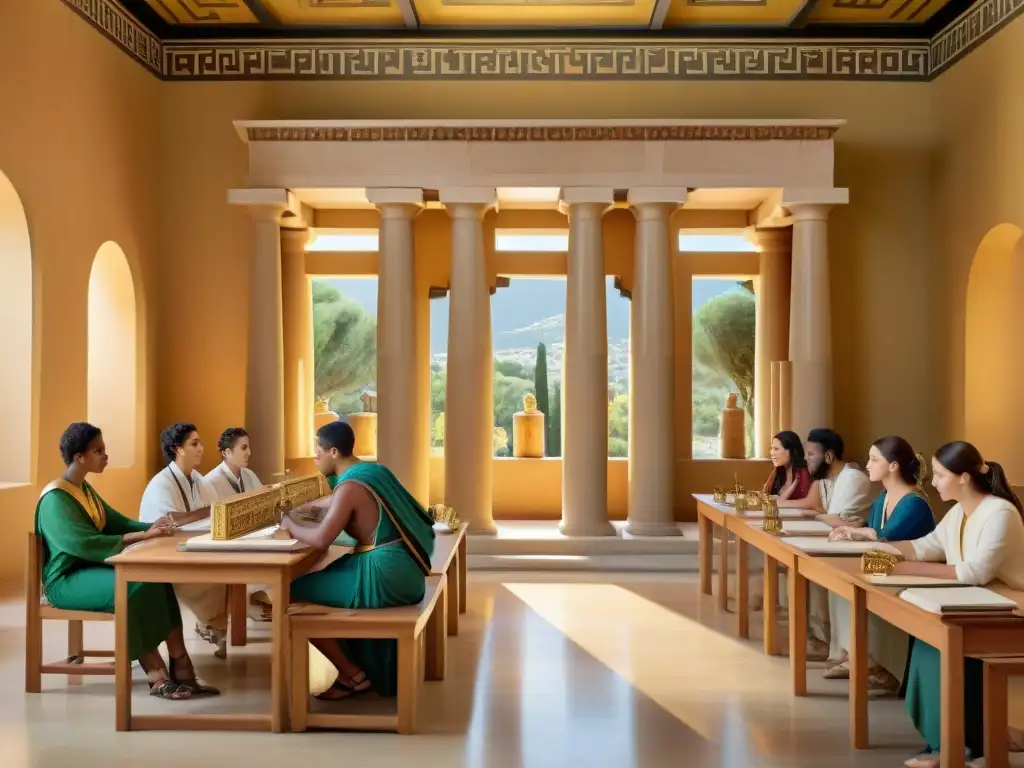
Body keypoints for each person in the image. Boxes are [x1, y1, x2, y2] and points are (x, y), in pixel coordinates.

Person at [35, 423, 219, 699]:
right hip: (65, 581)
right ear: (79, 457)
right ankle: (156, 675)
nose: (105, 456)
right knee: (131, 587)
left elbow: (116, 521)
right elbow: (83, 543)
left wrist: (150, 526)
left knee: (158, 582)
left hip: (90, 569)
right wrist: (140, 536)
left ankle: (182, 666)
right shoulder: (55, 498)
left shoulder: (83, 489)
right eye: (98, 451)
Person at [889, 442, 1024, 768]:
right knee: (926, 638)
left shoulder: (999, 512)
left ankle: (952, 747)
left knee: (937, 645)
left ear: (963, 477)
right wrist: (875, 544)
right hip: (981, 603)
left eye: (940, 475)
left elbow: (973, 572)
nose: (933, 482)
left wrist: (905, 568)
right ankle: (961, 742)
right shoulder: (958, 511)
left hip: (1011, 609)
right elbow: (925, 547)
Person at [279, 420, 436, 700]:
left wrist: (288, 522)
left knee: (288, 595)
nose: (316, 458)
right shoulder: (372, 471)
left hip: (382, 575)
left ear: (334, 452)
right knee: (318, 580)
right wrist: (305, 508)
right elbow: (331, 504)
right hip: (406, 571)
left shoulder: (350, 486)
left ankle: (352, 674)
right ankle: (358, 668)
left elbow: (320, 540)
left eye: (318, 452)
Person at [823, 436, 936, 693]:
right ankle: (858, 655)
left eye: (874, 459)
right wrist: (849, 531)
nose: (868, 464)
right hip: (887, 566)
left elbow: (887, 537)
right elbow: (872, 531)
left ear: (893, 466)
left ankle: (879, 664)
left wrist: (857, 533)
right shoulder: (882, 498)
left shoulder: (914, 502)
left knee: (861, 588)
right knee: (841, 581)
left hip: (913, 573)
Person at [139, 422, 228, 659]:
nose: (201, 448)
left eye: (200, 443)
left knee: (230, 573)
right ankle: (214, 624)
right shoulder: (161, 484)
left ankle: (215, 624)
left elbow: (215, 510)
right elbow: (168, 521)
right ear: (177, 449)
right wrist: (204, 513)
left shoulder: (198, 479)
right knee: (217, 577)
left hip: (192, 546)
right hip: (164, 555)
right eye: (194, 443)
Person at [204, 427, 262, 500]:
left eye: (248, 447)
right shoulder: (209, 482)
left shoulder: (250, 475)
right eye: (244, 448)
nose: (249, 453)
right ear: (227, 453)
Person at [763, 431, 813, 500]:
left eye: (776, 449)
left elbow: (808, 502)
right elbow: (765, 495)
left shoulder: (803, 473)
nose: (771, 453)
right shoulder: (778, 470)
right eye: (771, 448)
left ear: (791, 451)